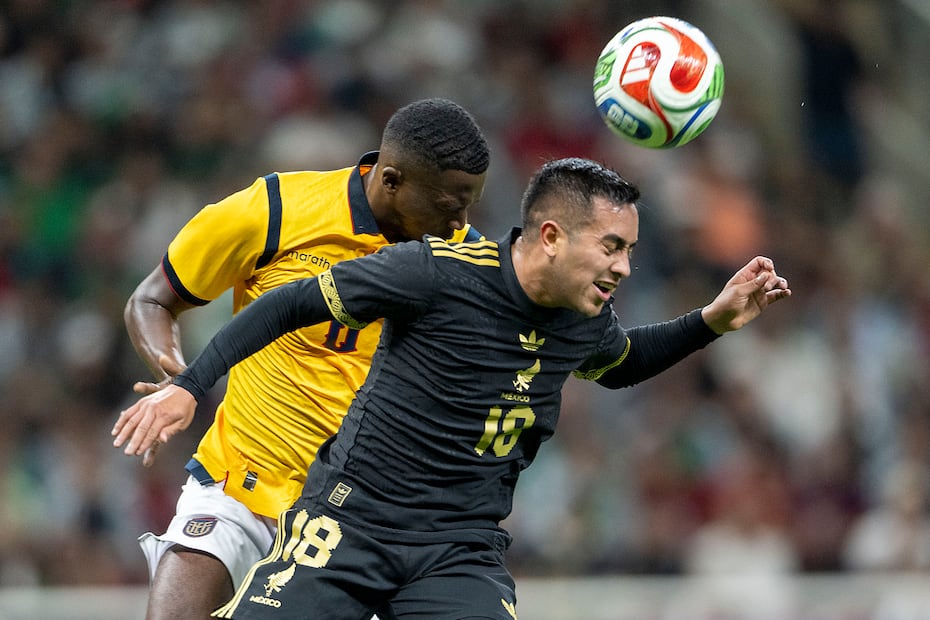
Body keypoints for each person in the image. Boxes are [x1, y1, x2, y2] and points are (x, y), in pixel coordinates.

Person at [113, 157, 791, 618]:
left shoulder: (583, 318)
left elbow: (624, 363)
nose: (624, 268)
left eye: (631, 251)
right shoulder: (434, 272)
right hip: (348, 528)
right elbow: (289, 303)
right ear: (551, 236)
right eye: (612, 247)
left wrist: (712, 319)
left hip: (459, 550)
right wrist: (192, 384)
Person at [117, 98, 490, 619]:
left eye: (469, 205)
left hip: (361, 519)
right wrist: (179, 376)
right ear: (391, 181)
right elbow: (153, 299)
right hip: (241, 487)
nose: (460, 224)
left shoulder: (464, 261)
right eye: (448, 205)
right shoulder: (278, 209)